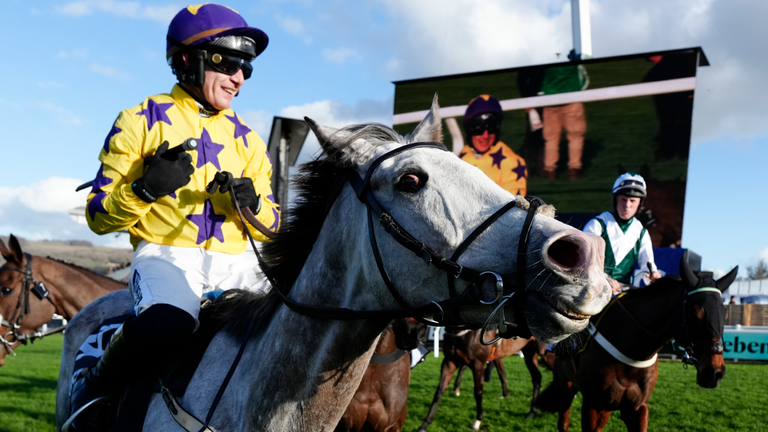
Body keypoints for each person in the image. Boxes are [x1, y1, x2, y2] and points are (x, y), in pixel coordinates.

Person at [66, 4, 279, 431]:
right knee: (170, 323)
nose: (240, 77)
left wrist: (254, 206)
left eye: (247, 67)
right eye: (231, 62)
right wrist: (145, 189)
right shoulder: (139, 119)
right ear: (188, 59)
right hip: (166, 255)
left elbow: (272, 223)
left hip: (239, 262)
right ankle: (93, 386)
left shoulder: (250, 140)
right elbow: (98, 216)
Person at [583, 173, 661, 293]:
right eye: (623, 200)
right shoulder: (598, 224)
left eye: (632, 201)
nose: (627, 206)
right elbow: (584, 259)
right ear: (616, 200)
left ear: (639, 203)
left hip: (621, 293)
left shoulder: (641, 233)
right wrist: (604, 278)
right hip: (591, 288)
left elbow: (648, 264)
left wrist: (653, 275)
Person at [458, 95, 528, 196]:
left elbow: (514, 206)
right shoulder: (462, 156)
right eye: (479, 130)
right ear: (469, 131)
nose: (485, 136)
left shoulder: (512, 163)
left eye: (491, 129)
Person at [539, 64, 589, 180]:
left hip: (550, 98)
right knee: (575, 135)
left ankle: (550, 169)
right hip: (571, 97)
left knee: (551, 137)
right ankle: (574, 169)